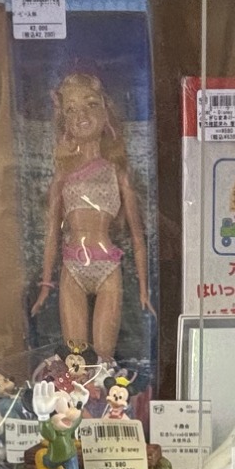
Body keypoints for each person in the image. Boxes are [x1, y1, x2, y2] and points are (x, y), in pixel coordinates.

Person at [30, 72, 152, 363]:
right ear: (64, 121)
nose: (81, 115)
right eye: (71, 109)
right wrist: (45, 285)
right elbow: (52, 233)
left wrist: (144, 290)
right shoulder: (63, 175)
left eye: (91, 105)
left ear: (106, 112)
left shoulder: (117, 174)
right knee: (75, 354)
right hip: (73, 266)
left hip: (107, 265)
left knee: (104, 354)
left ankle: (107, 389)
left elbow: (137, 237)